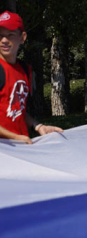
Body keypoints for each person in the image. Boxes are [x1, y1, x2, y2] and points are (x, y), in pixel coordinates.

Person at [0, 11, 63, 143]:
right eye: (0, 36)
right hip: (6, 151)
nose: (4, 40)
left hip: (22, 147)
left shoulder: (25, 69)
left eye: (10, 35)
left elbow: (17, 110)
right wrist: (15, 137)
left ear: (22, 37)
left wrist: (38, 126)